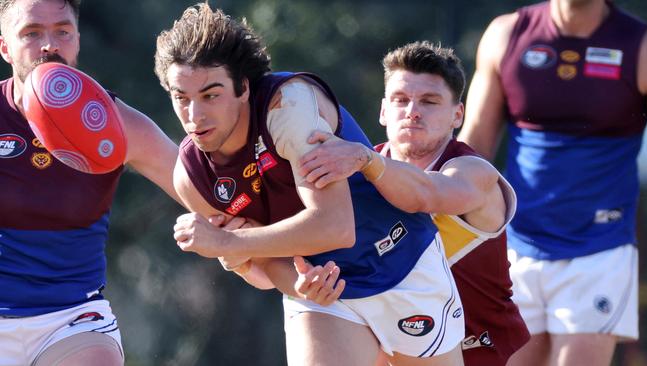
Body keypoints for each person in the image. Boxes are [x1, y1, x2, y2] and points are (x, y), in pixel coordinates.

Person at [158, 4, 465, 366]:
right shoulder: (192, 176)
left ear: (243, 87)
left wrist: (226, 242)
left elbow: (335, 227)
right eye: (181, 97)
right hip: (327, 298)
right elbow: (262, 264)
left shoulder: (285, 105)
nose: (194, 116)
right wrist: (297, 284)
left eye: (211, 95)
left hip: (401, 262)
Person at [298, 41, 530, 366]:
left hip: (479, 350)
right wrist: (243, 255)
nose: (412, 111)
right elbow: (289, 264)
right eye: (401, 100)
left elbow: (424, 195)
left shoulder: (472, 171)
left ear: (457, 115)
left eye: (429, 101)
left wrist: (366, 161)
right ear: (383, 111)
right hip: (393, 347)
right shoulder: (355, 169)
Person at [456, 0, 647, 365]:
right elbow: (472, 150)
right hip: (515, 247)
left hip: (600, 249)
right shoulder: (507, 34)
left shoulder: (640, 46)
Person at [0, 1, 180, 365]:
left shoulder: (118, 123)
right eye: (32, 33)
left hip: (71, 321)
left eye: (62, 31)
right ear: (5, 46)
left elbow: (205, 191)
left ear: (78, 39)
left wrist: (272, 252)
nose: (49, 44)